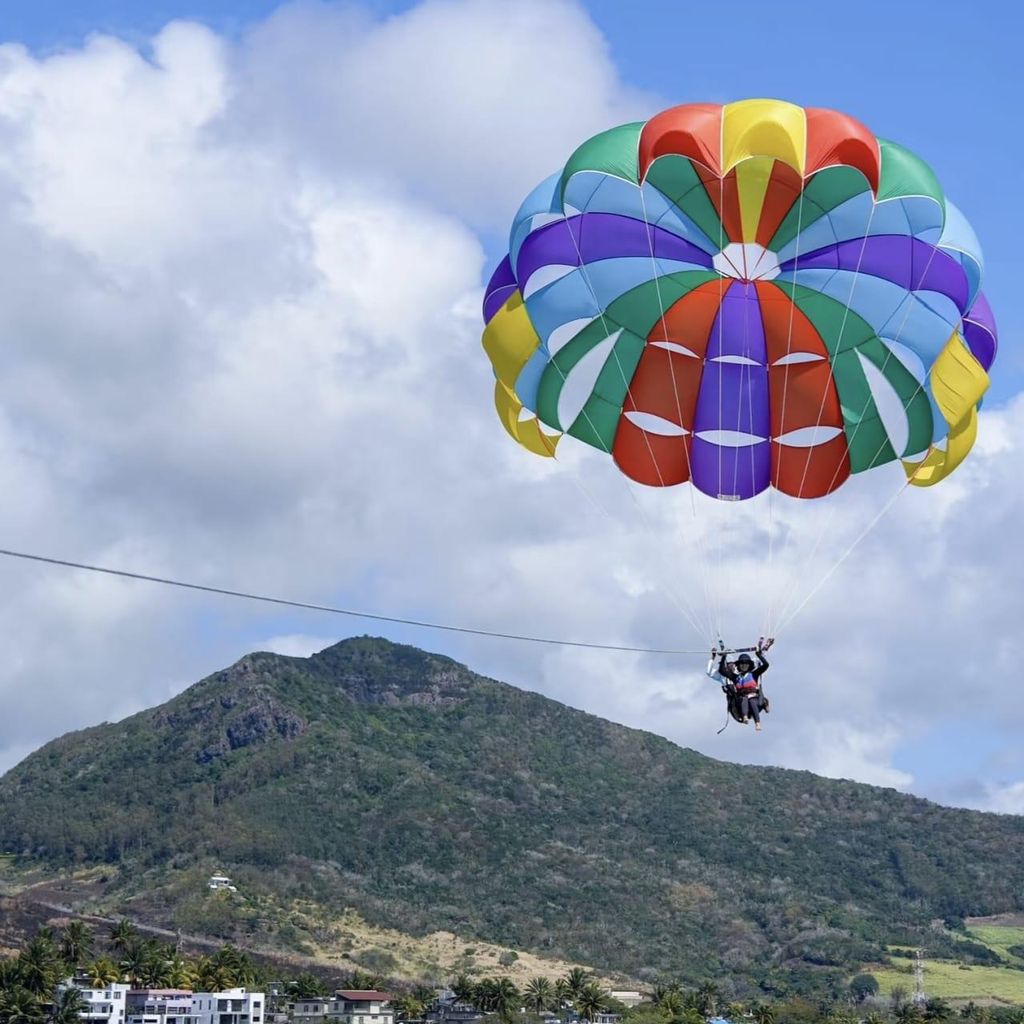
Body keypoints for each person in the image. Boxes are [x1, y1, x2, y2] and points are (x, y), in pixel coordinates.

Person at [717, 645, 770, 731]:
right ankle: (744, 716)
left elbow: (766, 665)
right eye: (742, 664)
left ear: (749, 665)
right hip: (741, 703)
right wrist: (724, 656)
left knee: (751, 700)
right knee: (744, 698)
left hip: (756, 702)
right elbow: (721, 671)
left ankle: (757, 723)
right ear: (739, 665)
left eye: (746, 664)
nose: (744, 665)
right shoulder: (735, 677)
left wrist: (758, 655)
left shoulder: (754, 674)